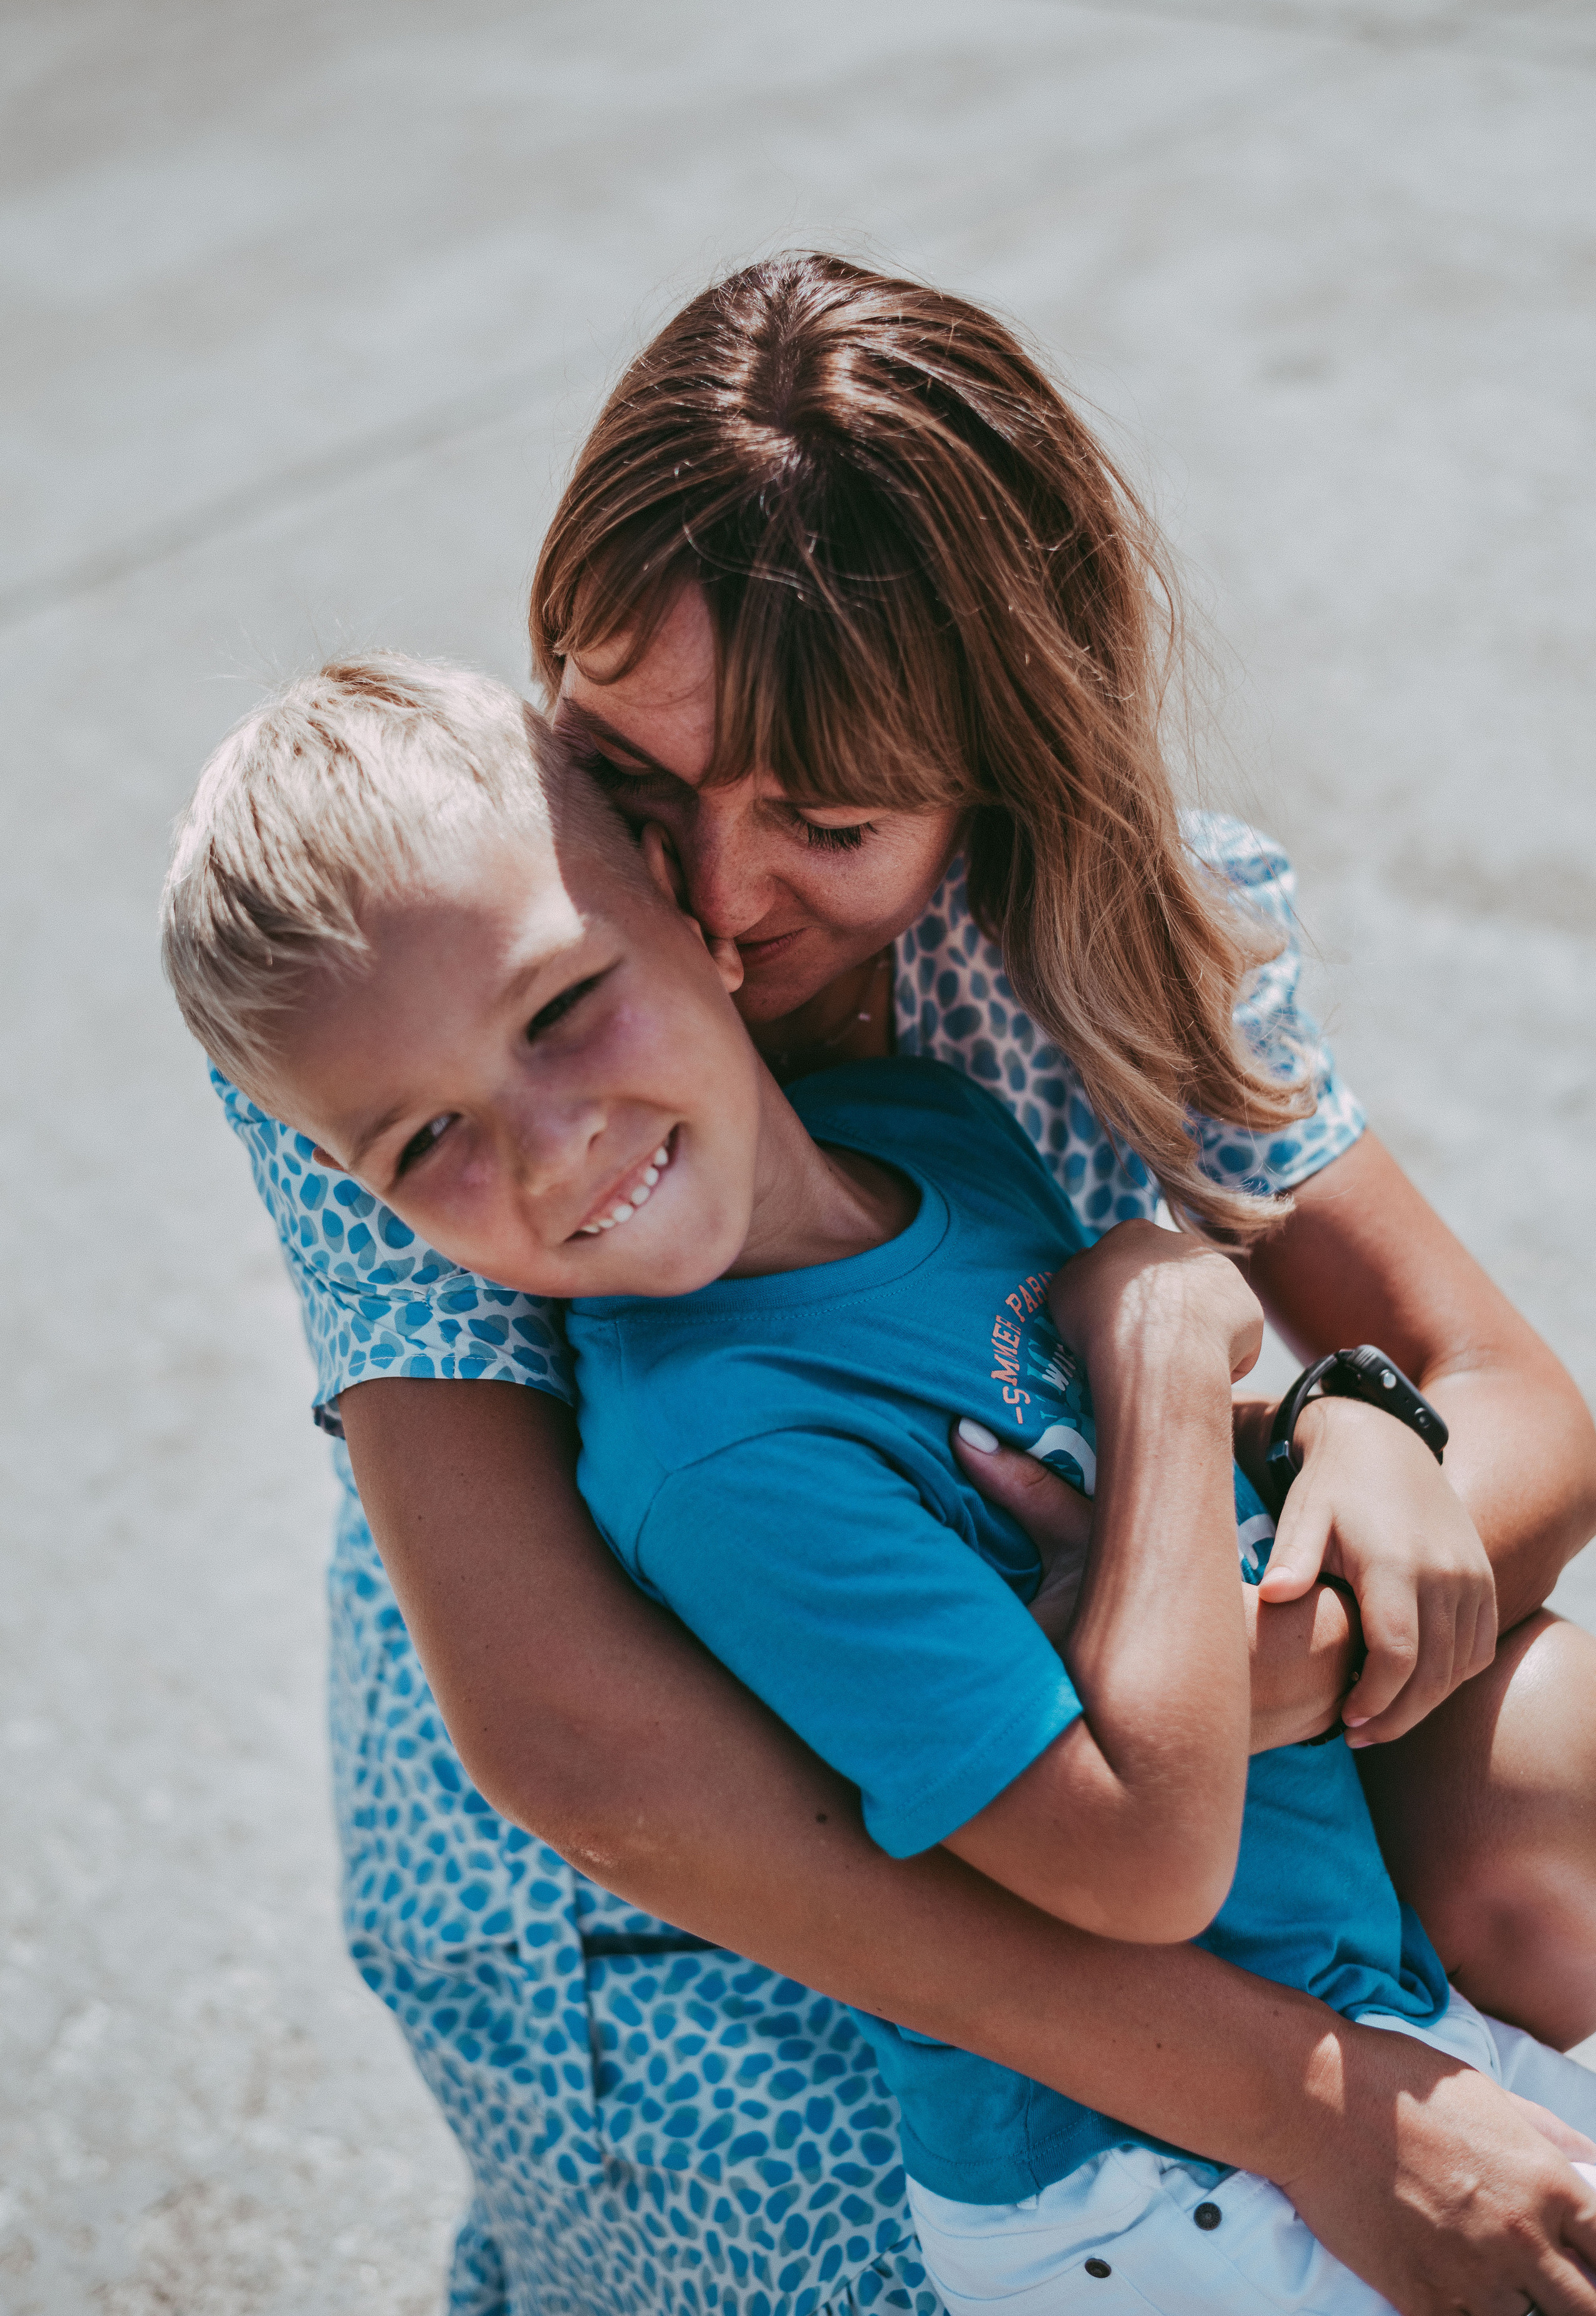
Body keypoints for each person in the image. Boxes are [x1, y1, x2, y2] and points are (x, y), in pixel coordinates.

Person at [165, 254, 1596, 2315]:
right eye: (639, 788)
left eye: (828, 821)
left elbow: (1511, 1391)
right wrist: (1322, 2106)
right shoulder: (442, 1008)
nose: (723, 905)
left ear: (1000, 768)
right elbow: (600, 1768)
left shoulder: (1078, 936)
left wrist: (1357, 1429)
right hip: (721, 1917)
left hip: (1150, 1781)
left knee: (1550, 1746)